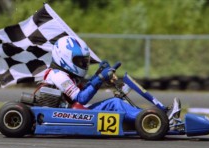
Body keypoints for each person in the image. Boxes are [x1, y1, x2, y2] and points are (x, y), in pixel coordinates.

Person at [34, 36, 180, 125]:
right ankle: (153, 118)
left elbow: (81, 92)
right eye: (79, 61)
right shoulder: (58, 75)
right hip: (66, 116)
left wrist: (98, 75)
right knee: (114, 103)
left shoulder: (63, 74)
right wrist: (100, 78)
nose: (83, 65)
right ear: (64, 57)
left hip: (73, 113)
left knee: (115, 103)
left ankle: (153, 117)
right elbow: (81, 98)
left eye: (84, 61)